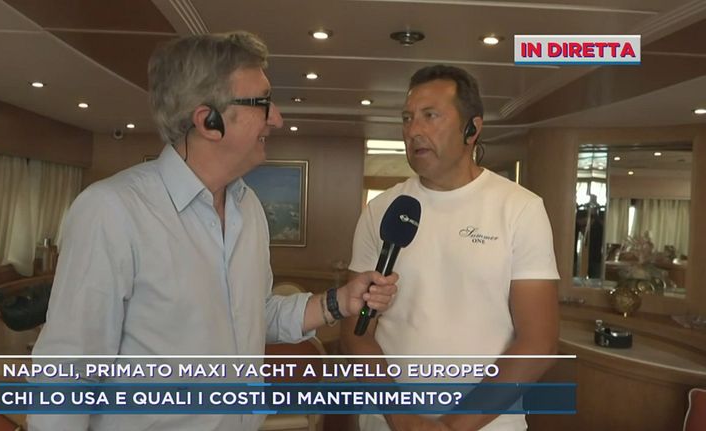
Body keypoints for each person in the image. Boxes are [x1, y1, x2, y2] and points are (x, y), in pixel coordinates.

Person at [28, 31, 398, 431]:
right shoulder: (112, 211)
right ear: (208, 121)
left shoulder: (248, 207)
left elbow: (254, 315)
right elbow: (64, 376)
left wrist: (338, 301)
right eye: (262, 103)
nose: (276, 118)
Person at [341, 65, 560, 431]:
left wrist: (451, 427)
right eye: (407, 118)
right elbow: (355, 332)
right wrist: (399, 416)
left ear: (472, 129)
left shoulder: (521, 209)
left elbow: (539, 342)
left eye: (430, 116)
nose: (414, 130)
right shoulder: (381, 210)